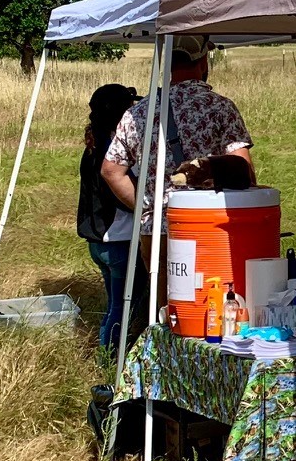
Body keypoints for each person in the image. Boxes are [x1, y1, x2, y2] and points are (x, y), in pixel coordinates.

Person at [100, 37, 254, 337]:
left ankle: (162, 372)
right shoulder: (220, 108)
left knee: (166, 315)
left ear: (166, 65)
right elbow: (243, 170)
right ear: (203, 62)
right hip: (212, 228)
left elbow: (110, 170)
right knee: (213, 314)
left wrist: (148, 208)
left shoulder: (137, 113)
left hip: (158, 230)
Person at [78, 82, 141, 354]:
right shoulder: (113, 152)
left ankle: (108, 350)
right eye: (129, 107)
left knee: (115, 303)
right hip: (119, 239)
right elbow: (123, 197)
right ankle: (112, 355)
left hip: (99, 241)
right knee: (126, 304)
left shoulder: (94, 144)